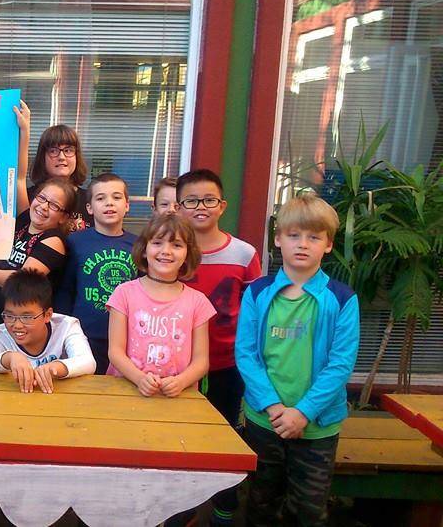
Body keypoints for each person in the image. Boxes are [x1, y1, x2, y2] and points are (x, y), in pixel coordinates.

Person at [237, 193, 359, 527]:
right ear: (278, 239)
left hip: (317, 427)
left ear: (328, 244)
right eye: (294, 235)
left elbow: (341, 363)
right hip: (265, 421)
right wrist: (274, 406)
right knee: (260, 504)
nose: (302, 244)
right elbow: (246, 354)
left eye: (314, 237)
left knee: (308, 511)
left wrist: (303, 412)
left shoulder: (342, 299)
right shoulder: (258, 292)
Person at [175, 168, 261, 525]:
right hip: (178, 367)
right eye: (191, 200)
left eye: (209, 200)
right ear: (178, 207)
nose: (201, 207)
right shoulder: (171, 251)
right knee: (181, 438)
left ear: (222, 206)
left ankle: (225, 504)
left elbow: (254, 311)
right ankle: (181, 508)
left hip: (227, 364)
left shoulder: (243, 253)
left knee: (224, 434)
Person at [106, 215, 214, 398]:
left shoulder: (198, 302)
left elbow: (201, 361)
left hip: (177, 396)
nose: (166, 251)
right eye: (157, 243)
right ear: (144, 249)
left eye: (176, 245)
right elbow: (115, 352)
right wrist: (140, 379)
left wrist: (181, 382)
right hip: (125, 391)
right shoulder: (123, 293)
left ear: (188, 254)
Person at [55, 173, 138, 373]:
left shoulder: (139, 245)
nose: (109, 203)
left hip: (127, 337)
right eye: (101, 198)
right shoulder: (75, 242)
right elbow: (66, 289)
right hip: (85, 336)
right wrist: (63, 330)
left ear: (127, 205)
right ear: (89, 208)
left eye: (116, 197)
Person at [0, 177, 74, 328]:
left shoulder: (54, 240)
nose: (44, 206)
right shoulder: (24, 220)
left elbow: (22, 280)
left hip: (24, 326)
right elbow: (20, 180)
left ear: (63, 217)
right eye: (42, 198)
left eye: (54, 205)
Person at [0, 269, 95, 393]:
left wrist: (55, 368)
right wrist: (10, 358)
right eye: (9, 316)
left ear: (47, 315)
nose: (17, 325)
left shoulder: (66, 326)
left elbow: (88, 362)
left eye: (27, 317)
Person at [27, 124, 91, 231]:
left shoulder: (91, 200)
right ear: (43, 157)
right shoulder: (30, 197)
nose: (61, 157)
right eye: (53, 151)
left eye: (68, 150)